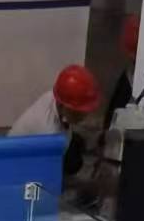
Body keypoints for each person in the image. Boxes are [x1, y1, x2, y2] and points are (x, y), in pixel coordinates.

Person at [7, 63, 102, 197]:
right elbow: (48, 183)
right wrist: (83, 185)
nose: (84, 117)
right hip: (19, 174)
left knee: (77, 148)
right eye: (79, 113)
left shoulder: (57, 96)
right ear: (64, 106)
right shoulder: (49, 132)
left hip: (30, 153)